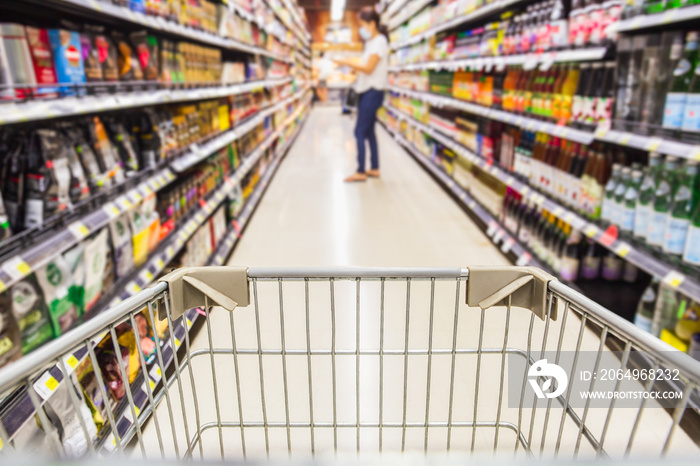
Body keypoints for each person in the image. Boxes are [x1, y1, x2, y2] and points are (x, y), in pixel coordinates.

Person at [333, 6, 388, 182]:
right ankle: (375, 168)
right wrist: (352, 69)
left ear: (372, 24)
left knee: (359, 132)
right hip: (367, 90)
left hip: (373, 91)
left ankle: (361, 171)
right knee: (370, 131)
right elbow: (365, 66)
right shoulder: (371, 42)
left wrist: (347, 61)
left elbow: (369, 68)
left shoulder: (379, 41)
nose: (360, 29)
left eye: (362, 24)